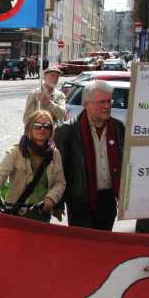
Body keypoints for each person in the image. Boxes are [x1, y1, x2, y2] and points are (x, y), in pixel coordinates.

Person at [55, 80, 124, 231]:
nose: (107, 106)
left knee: (104, 244)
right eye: (101, 102)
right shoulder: (67, 131)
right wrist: (58, 203)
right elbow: (59, 169)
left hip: (108, 199)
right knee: (83, 247)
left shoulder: (118, 128)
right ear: (87, 104)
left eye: (108, 101)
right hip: (79, 200)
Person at [0, 110, 66, 222]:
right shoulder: (16, 151)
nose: (42, 129)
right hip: (15, 211)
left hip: (41, 213)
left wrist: (50, 199)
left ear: (51, 130)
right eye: (37, 126)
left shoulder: (55, 154)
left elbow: (60, 182)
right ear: (29, 128)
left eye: (47, 126)